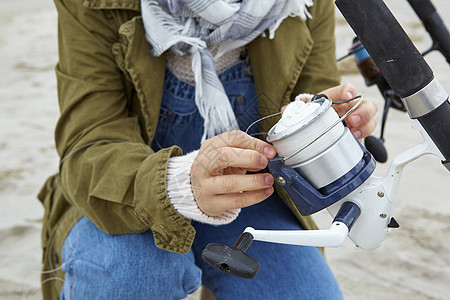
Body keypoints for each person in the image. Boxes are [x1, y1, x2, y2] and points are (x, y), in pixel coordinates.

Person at [38, 0, 377, 299]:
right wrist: (179, 184)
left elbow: (312, 89)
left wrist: (320, 123)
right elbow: (88, 146)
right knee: (131, 277)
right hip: (122, 198)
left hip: (253, 197)